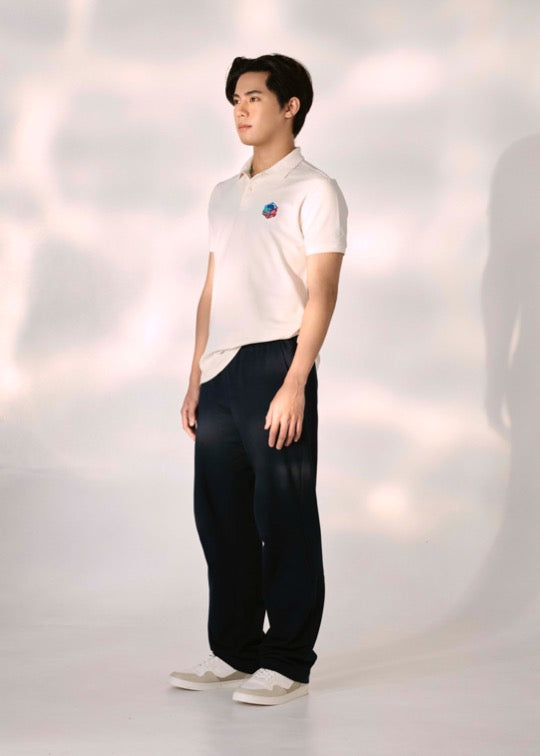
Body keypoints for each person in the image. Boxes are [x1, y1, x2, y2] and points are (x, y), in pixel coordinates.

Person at [169, 53, 348, 706]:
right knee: (221, 518)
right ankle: (234, 651)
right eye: (235, 101)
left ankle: (288, 661)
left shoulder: (314, 189)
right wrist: (195, 377)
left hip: (277, 363)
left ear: (289, 106)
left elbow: (323, 291)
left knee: (284, 513)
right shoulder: (224, 193)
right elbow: (210, 291)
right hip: (220, 371)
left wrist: (297, 379)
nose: (241, 110)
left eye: (253, 98)